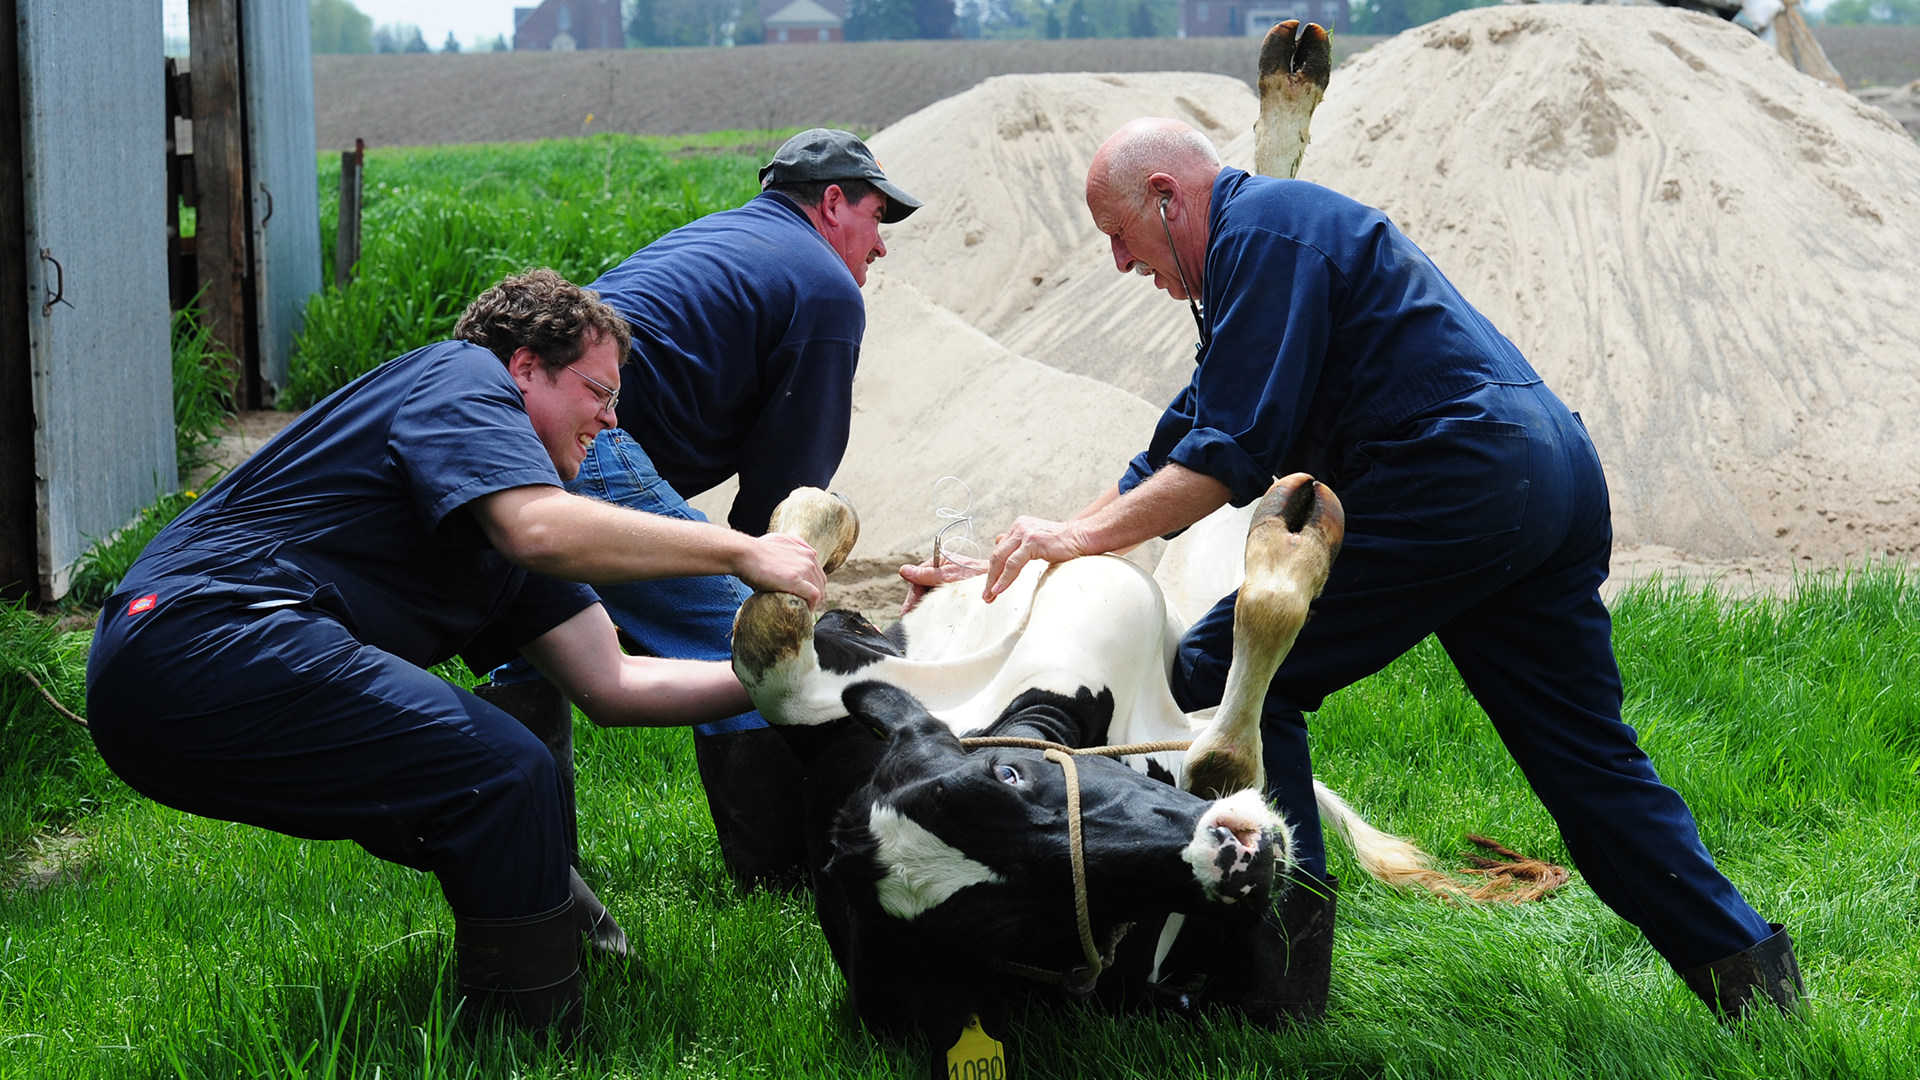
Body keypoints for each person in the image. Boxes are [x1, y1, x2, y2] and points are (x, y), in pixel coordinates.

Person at [917, 117, 1802, 1023]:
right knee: (1587, 760)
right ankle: (1759, 987)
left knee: (1238, 672)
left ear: (1168, 198)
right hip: (1547, 469)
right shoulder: (1263, 249)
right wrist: (1054, 541)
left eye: (1118, 234)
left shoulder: (1259, 236)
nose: (1118, 262)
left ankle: (1275, 986)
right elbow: (1183, 436)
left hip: (1466, 472)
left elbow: (1227, 459)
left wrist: (1072, 544)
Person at [84, 269, 826, 1034]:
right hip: (198, 631)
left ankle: (571, 979)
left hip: (181, 688)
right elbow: (538, 527)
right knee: (503, 771)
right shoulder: (459, 378)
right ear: (525, 365)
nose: (610, 420)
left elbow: (616, 684)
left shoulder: (510, 527)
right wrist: (740, 551)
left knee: (496, 788)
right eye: (598, 392)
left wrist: (799, 683)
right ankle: (533, 1041)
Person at [489, 128, 923, 891]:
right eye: (875, 218)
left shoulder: (728, 238)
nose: (880, 247)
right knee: (747, 639)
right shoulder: (824, 286)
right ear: (830, 203)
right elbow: (786, 501)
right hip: (595, 438)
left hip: (515, 425)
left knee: (530, 640)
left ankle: (535, 877)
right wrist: (765, 586)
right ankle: (784, 881)